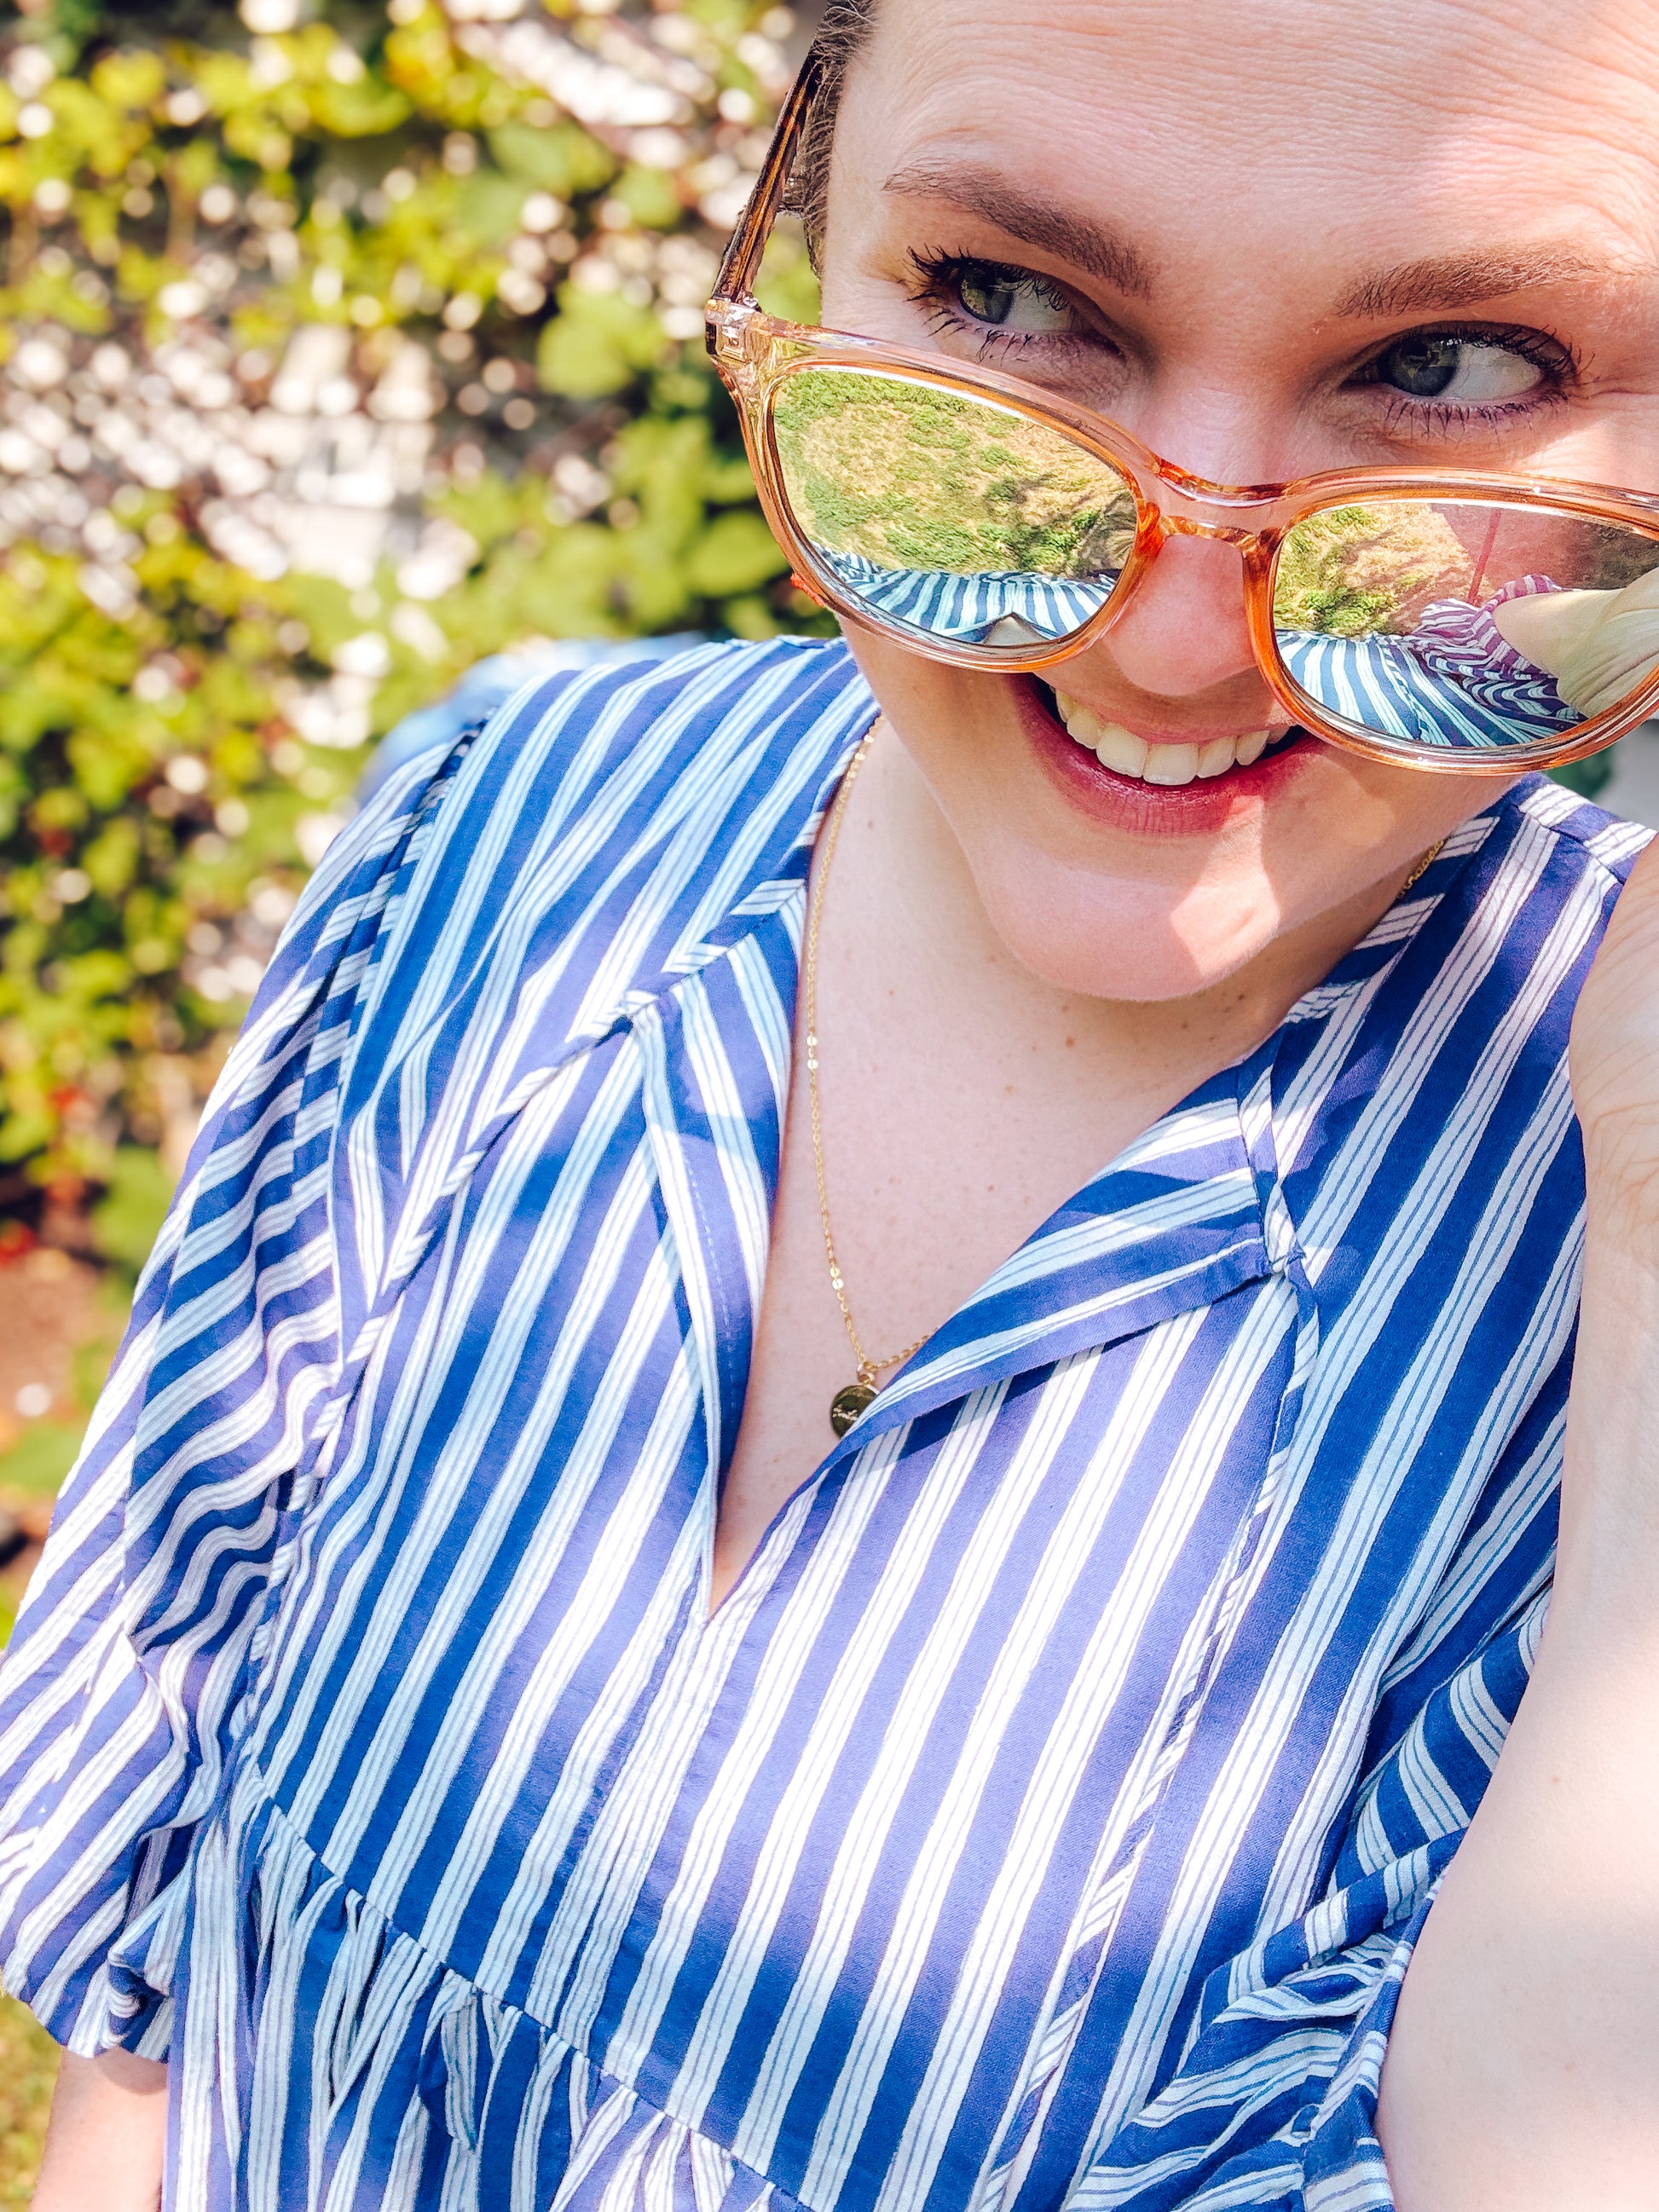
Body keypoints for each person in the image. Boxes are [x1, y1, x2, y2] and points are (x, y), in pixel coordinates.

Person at [8, 2, 1659, 2205]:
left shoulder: (1603, 1230)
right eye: (1007, 299)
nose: (1171, 637)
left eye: (1449, 368)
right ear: (798, 229)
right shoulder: (509, 810)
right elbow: (155, 1979)